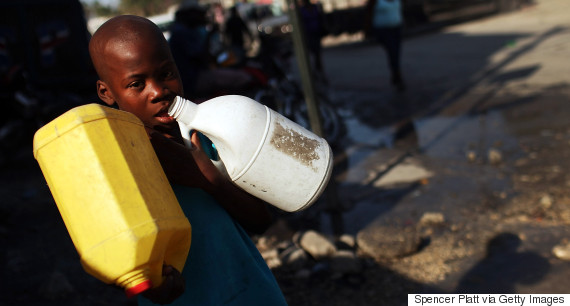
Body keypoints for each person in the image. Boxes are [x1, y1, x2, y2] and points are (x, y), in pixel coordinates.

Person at [88, 15, 288, 305]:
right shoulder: (113, 167)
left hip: (253, 294)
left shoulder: (206, 135)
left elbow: (261, 220)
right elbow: (110, 256)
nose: (158, 91)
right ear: (106, 92)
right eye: (137, 84)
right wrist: (146, 287)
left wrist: (210, 181)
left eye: (166, 73)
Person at [168, 4, 253, 101]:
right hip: (193, 79)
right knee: (243, 78)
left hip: (192, 78)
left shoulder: (184, 30)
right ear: (189, 14)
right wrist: (210, 33)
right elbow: (201, 55)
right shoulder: (182, 32)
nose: (201, 17)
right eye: (199, 14)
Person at [365, 0, 406, 91]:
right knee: (392, 51)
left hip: (396, 28)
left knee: (396, 51)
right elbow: (368, 13)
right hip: (383, 30)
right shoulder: (375, 1)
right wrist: (368, 30)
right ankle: (397, 75)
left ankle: (396, 74)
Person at [298, 0, 327, 75]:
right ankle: (314, 71)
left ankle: (318, 69)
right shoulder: (302, 10)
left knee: (317, 53)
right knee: (312, 52)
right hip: (308, 34)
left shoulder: (314, 7)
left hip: (316, 32)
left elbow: (320, 17)